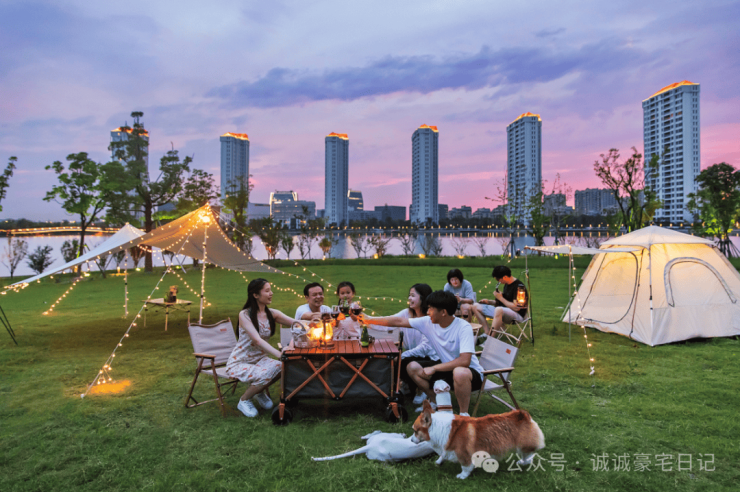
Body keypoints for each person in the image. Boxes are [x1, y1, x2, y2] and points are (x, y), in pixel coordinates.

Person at [363, 290, 484, 416]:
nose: (427, 312)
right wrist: (369, 319)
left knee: (459, 372)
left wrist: (435, 368)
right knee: (412, 367)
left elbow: (464, 361)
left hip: (469, 374)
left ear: (443, 312)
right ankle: (436, 402)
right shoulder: (428, 322)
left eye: (431, 309)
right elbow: (399, 321)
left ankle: (464, 414)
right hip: (447, 368)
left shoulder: (463, 327)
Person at [226, 278, 300, 418]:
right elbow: (257, 340)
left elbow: (297, 323)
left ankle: (258, 391)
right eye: (267, 291)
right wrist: (279, 354)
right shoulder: (244, 315)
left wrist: (317, 320)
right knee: (267, 372)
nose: (271, 293)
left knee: (284, 367)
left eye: (270, 290)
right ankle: (244, 400)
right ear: (255, 295)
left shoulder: (272, 313)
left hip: (260, 360)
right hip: (240, 361)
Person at [391, 283, 439, 405]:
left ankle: (421, 389)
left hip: (430, 357)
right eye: (409, 295)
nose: (409, 298)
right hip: (413, 355)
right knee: (394, 359)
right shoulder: (406, 313)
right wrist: (367, 321)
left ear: (423, 298)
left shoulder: (430, 318)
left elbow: (425, 348)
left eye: (413, 295)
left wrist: (403, 355)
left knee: (401, 359)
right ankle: (408, 385)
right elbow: (390, 321)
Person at [470, 265, 528, 337]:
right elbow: (505, 302)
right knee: (475, 306)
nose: (498, 281)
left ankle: (490, 338)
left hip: (517, 315)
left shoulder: (520, 287)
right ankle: (486, 332)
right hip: (502, 311)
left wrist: (500, 298)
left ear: (505, 277)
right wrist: (489, 302)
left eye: (498, 279)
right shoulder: (507, 284)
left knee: (498, 309)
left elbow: (517, 308)